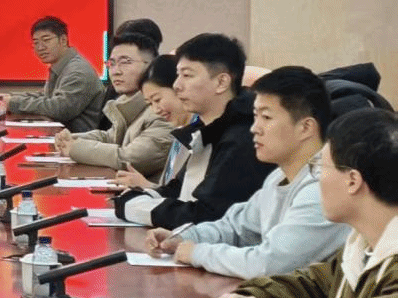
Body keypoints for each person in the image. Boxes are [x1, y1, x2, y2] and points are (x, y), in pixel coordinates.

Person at [206, 108, 398, 298]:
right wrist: (248, 297)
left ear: (353, 181)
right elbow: (312, 284)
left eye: (321, 168)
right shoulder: (361, 244)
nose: (317, 180)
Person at [146, 66, 349, 278]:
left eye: (266, 117)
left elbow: (269, 264)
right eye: (255, 116)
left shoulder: (323, 187)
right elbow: (235, 228)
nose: (254, 128)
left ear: (306, 127)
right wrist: (184, 237)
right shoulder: (278, 177)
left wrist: (197, 253)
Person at [114, 33, 273, 228]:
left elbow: (207, 215)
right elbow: (178, 191)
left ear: (221, 82)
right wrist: (138, 197)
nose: (177, 85)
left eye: (187, 75)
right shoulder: (205, 129)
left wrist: (133, 207)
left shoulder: (243, 137)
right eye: (178, 75)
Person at [54, 31, 172, 176]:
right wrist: (71, 139)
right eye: (112, 63)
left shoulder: (162, 111)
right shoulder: (128, 105)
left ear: (151, 66)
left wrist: (75, 148)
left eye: (125, 62)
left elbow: (130, 159)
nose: (115, 71)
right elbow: (110, 138)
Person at [6, 16, 105, 132]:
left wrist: (13, 103)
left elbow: (60, 109)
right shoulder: (62, 66)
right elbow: (47, 97)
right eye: (36, 42)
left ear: (63, 40)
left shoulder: (78, 71)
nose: (40, 47)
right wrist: (10, 98)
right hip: (63, 136)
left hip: (79, 139)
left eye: (46, 40)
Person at [115, 54, 194, 188]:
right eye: (150, 103)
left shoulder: (200, 133)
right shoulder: (181, 132)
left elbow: (186, 197)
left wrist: (146, 186)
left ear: (178, 88)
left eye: (157, 100)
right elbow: (171, 191)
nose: (156, 110)